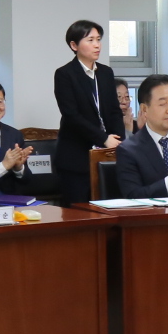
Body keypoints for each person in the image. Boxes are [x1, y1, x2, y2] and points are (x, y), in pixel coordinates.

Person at [52, 20, 123, 206]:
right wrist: (103, 138)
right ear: (74, 45)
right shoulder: (65, 74)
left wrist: (118, 141)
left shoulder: (106, 73)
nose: (97, 45)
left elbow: (115, 111)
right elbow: (72, 115)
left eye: (98, 39)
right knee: (79, 212)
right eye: (90, 40)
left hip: (107, 153)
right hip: (76, 156)